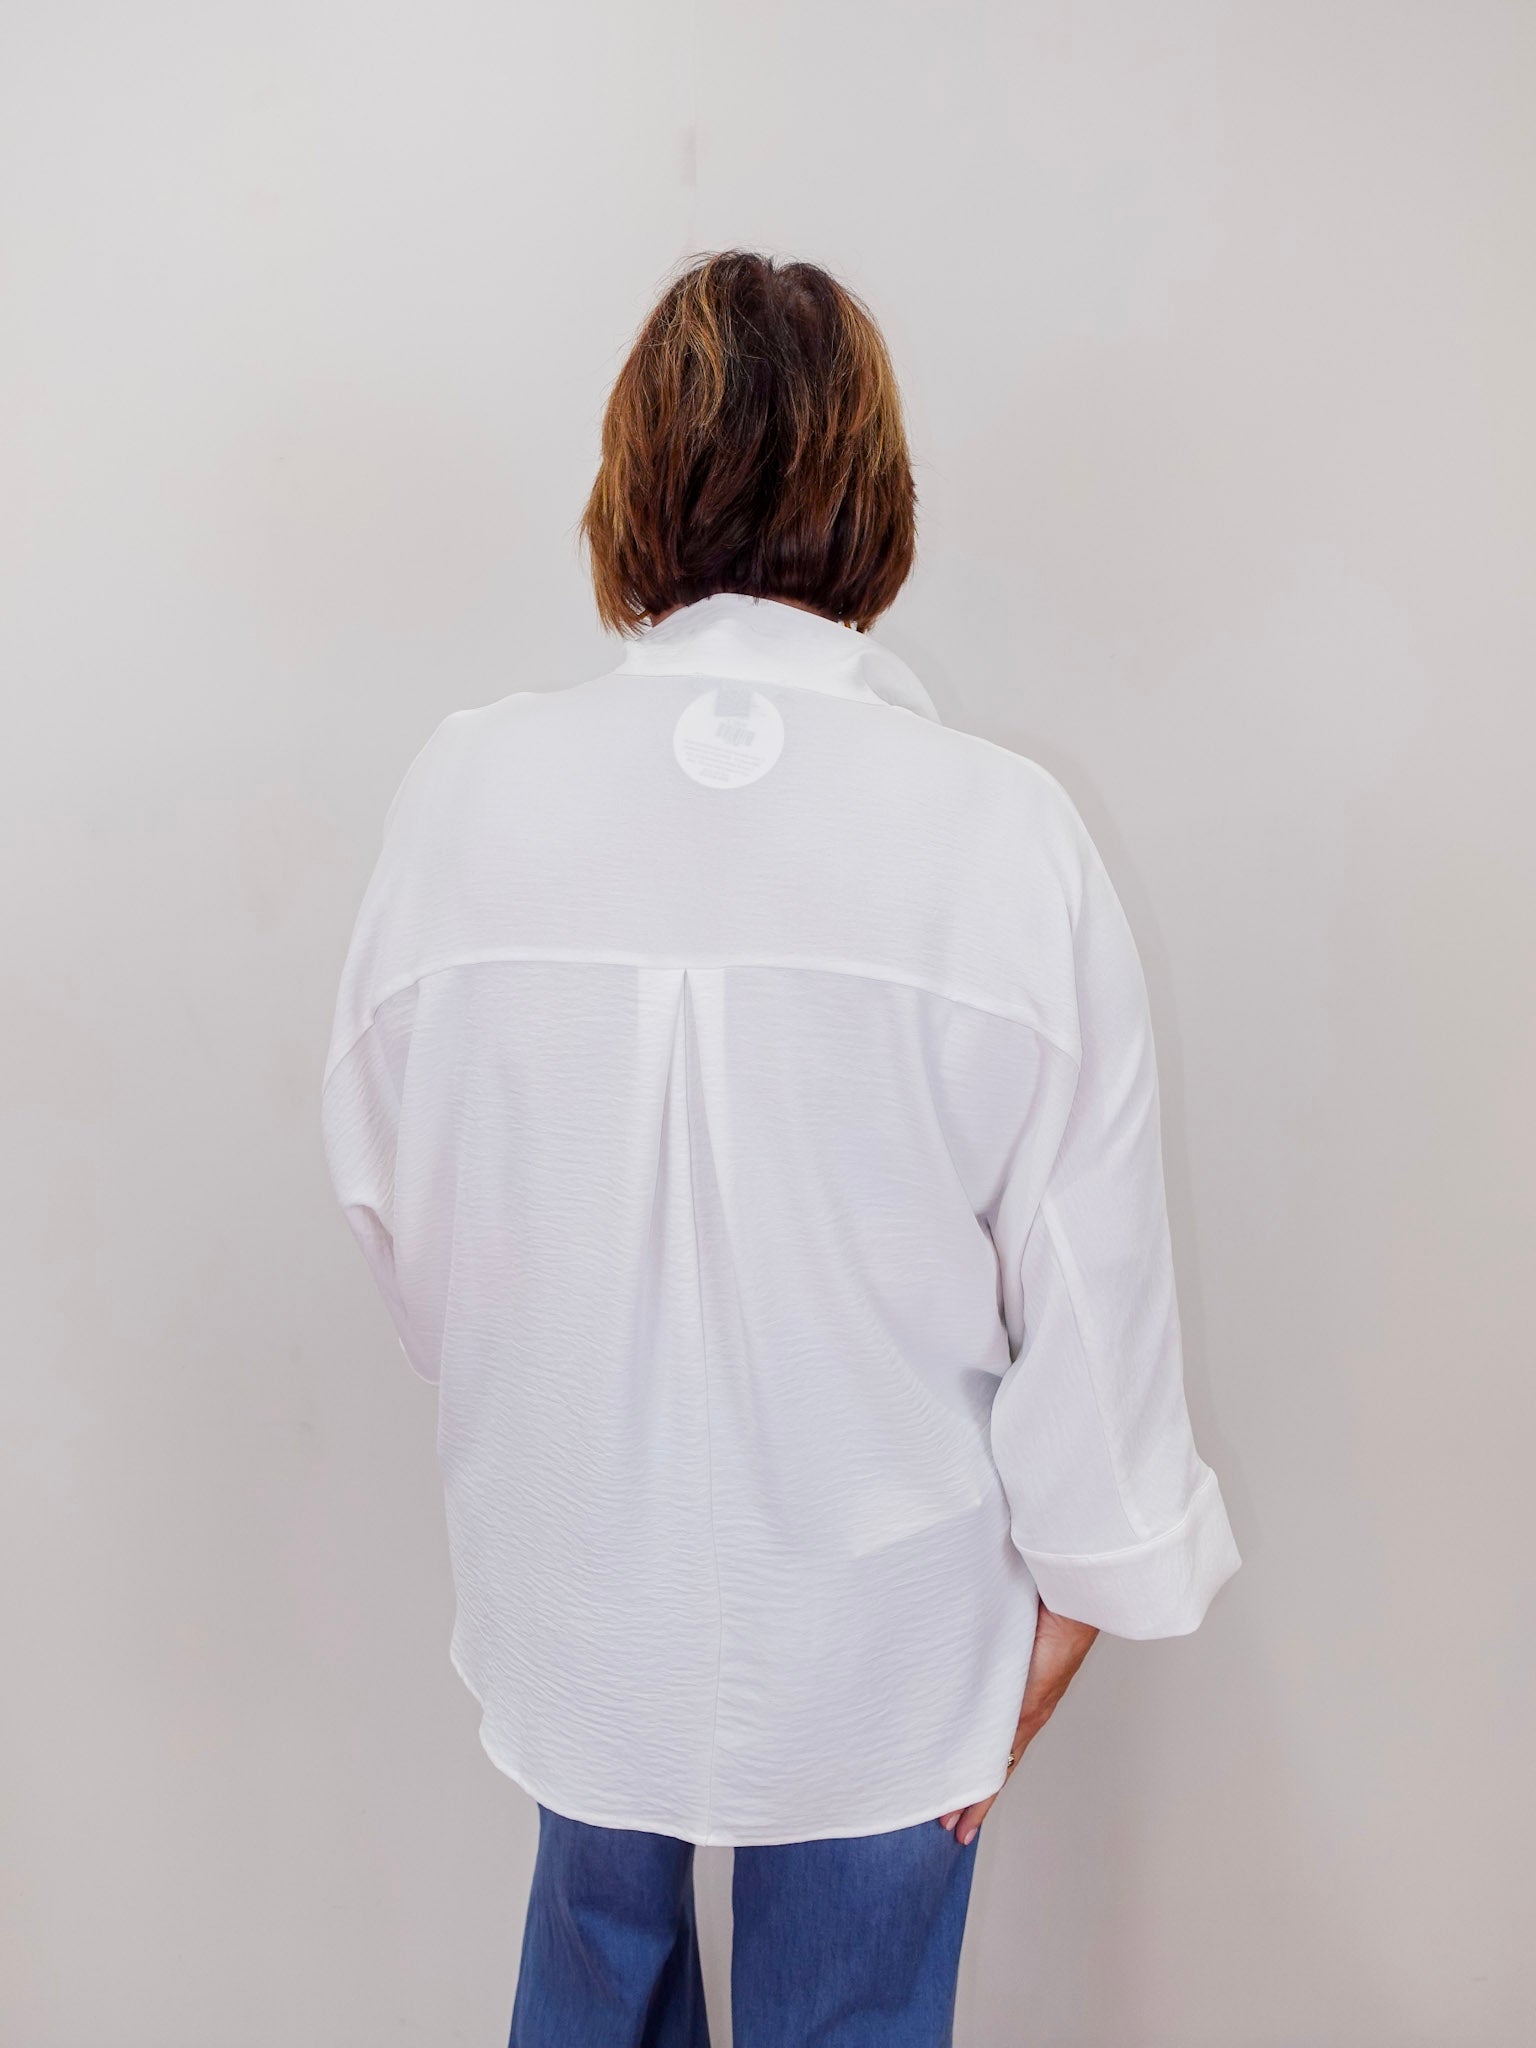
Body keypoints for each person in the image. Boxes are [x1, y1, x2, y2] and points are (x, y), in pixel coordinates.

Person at [320, 249, 1242, 2047]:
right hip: (893, 1624)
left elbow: (398, 1201)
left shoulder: (470, 793)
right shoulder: (1001, 833)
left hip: (578, 1587)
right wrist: (1078, 1594)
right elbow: (1093, 1266)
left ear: (633, 481)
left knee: (592, 1977)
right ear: (873, 489)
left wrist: (564, 1406)